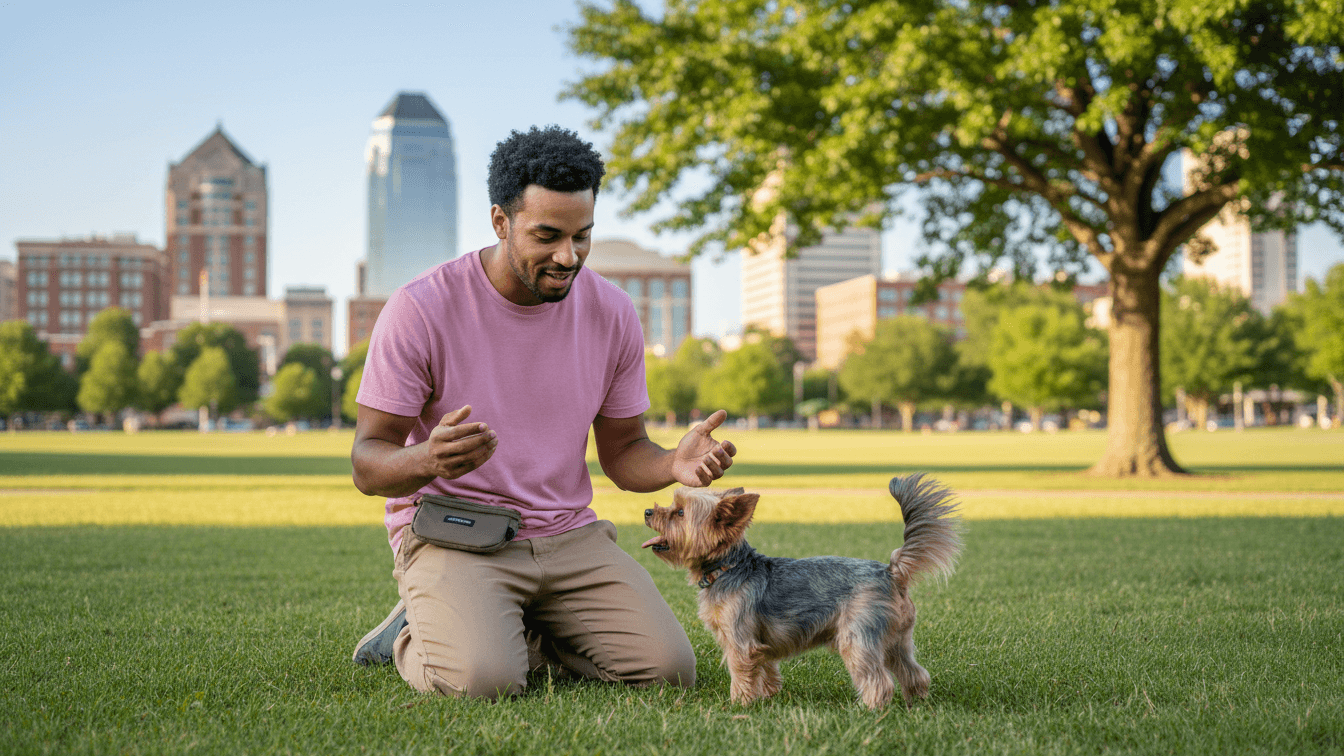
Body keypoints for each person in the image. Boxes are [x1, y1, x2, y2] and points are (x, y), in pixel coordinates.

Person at [349, 125, 737, 700]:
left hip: (566, 535)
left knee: (667, 671)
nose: (568, 256)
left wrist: (672, 465)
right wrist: (427, 459)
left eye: (583, 235)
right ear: (500, 222)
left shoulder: (612, 313)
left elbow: (624, 453)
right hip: (457, 531)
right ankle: (413, 631)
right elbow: (367, 463)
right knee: (484, 682)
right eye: (547, 236)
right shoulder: (420, 308)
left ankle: (499, 622)